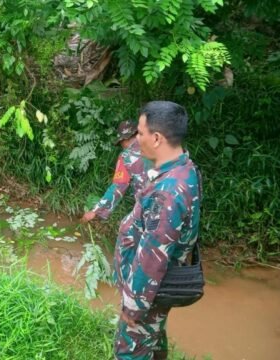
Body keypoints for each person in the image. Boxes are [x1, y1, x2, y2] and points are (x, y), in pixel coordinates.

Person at [113, 101, 202, 359]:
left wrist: (133, 305)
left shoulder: (168, 192)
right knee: (153, 342)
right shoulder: (182, 169)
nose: (136, 139)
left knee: (129, 352)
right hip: (159, 293)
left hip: (149, 294)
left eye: (139, 133)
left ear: (156, 138)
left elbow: (153, 257)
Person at [81, 120, 147, 223]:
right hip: (178, 199)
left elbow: (118, 187)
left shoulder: (126, 156)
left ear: (125, 139)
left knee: (127, 233)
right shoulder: (160, 146)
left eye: (120, 142)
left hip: (152, 207)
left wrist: (95, 211)